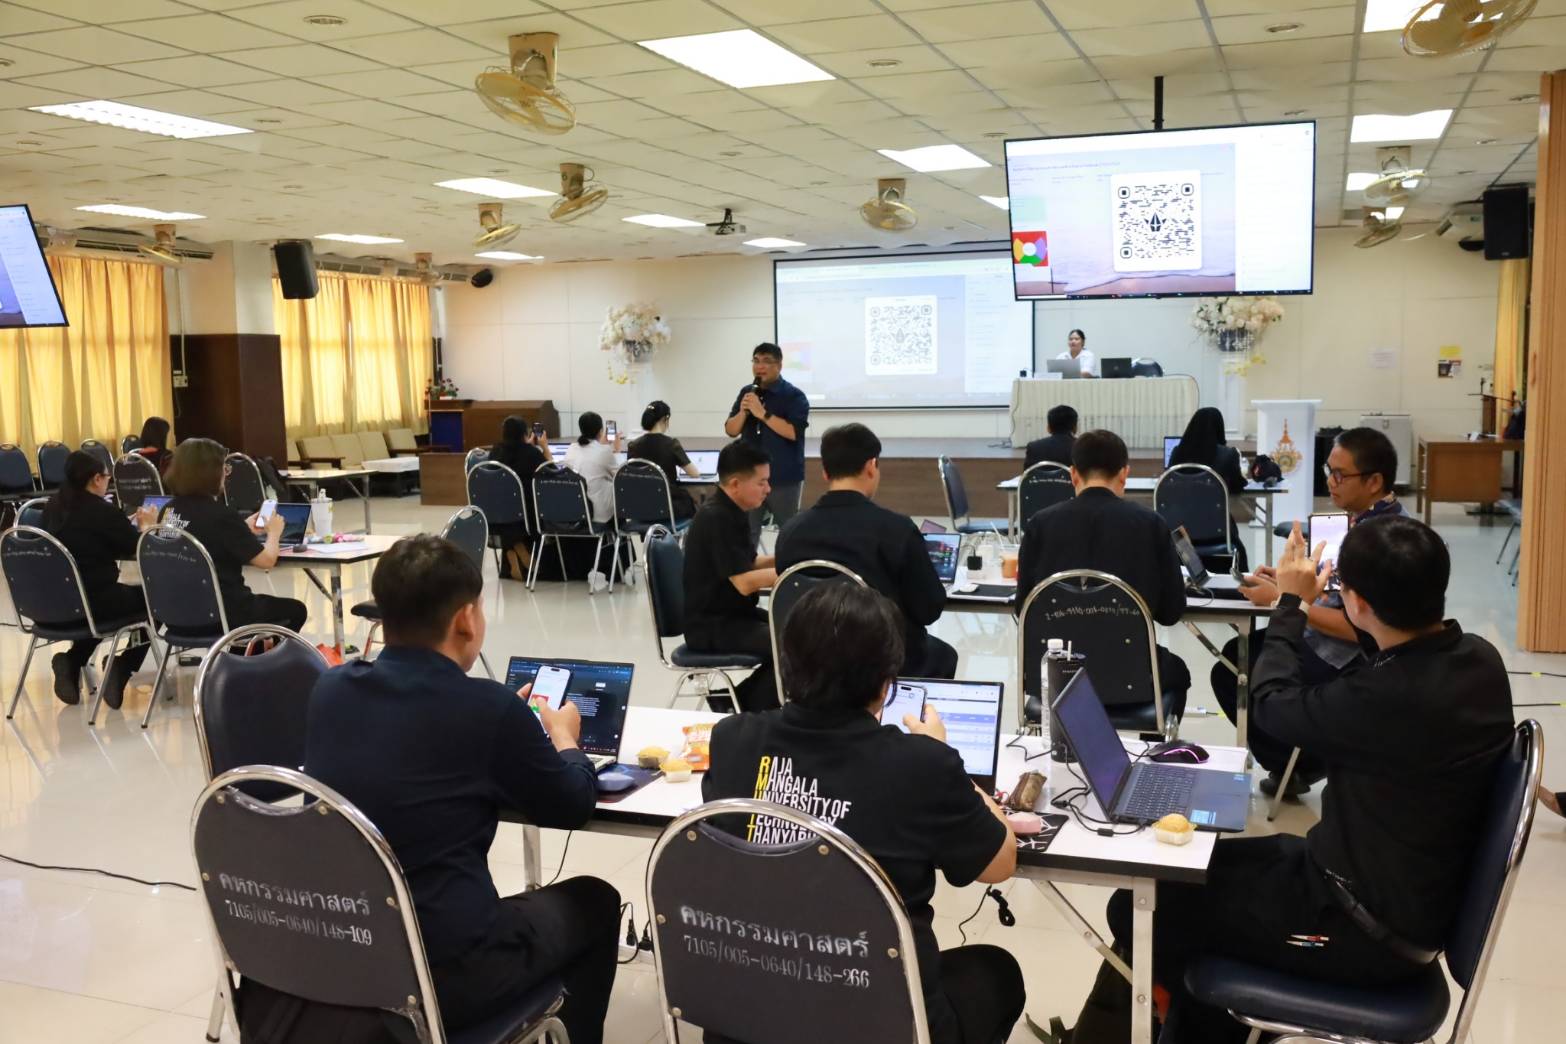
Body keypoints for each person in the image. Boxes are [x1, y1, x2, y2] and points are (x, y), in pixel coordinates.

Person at [1062, 517, 1515, 1044]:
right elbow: (1384, 657)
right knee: (1186, 875)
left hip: (1360, 929)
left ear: (1358, 603)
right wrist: (1308, 598)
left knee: (1139, 908)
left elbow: (1271, 704)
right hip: (1393, 895)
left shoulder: (1385, 699)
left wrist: (1292, 605)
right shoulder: (1478, 661)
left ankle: (1176, 1024)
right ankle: (1185, 1022)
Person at [295, 535, 618, 1041]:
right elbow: (572, 804)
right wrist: (563, 739)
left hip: (347, 947)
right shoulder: (488, 711)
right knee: (595, 901)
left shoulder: (330, 689)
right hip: (449, 973)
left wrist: (506, 728)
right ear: (466, 619)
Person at [702, 582, 1024, 1044]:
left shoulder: (732, 739)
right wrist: (947, 757)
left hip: (748, 1015)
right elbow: (1000, 863)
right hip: (882, 1021)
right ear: (886, 683)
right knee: (997, 971)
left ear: (786, 663)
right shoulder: (920, 764)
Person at [1211, 426, 1406, 797]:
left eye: (1340, 475)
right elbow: (1334, 589)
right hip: (1324, 639)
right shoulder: (1365, 521)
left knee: (1233, 668)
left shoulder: (1380, 539)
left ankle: (1296, 762)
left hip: (1344, 658)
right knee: (1238, 655)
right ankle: (1297, 761)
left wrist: (1284, 600)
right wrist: (1288, 580)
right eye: (1328, 471)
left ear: (1374, 481)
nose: (1330, 482)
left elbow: (1358, 630)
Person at [1013, 429, 1191, 703]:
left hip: (1057, 679)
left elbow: (1024, 609)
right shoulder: (1150, 524)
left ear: (1073, 474)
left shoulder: (1040, 524)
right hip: (1130, 674)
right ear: (1124, 473)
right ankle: (1153, 731)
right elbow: (1170, 613)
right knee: (1178, 672)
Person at [777, 422, 957, 679]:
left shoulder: (791, 532)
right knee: (944, 655)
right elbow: (928, 610)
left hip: (812, 663)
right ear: (871, 466)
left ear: (825, 472)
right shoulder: (896, 529)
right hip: (880, 662)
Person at [36, 451, 157, 708]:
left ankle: (72, 661)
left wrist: (119, 524)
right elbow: (139, 547)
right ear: (95, 479)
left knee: (101, 603)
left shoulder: (52, 507)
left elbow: (87, 538)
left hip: (50, 605)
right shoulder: (102, 511)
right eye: (107, 477)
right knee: (157, 599)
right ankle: (123, 665)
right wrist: (147, 526)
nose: (108, 481)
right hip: (92, 604)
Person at [161, 437, 308, 632]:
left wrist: (241, 527)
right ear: (210, 473)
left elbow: (204, 534)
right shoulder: (221, 515)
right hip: (224, 615)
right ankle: (251, 651)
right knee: (296, 610)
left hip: (177, 616)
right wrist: (274, 533)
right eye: (224, 468)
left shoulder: (168, 511)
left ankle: (245, 650)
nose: (226, 473)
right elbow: (266, 561)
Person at [682, 439, 778, 711]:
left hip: (733, 615)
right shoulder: (716, 517)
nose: (768, 489)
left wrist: (791, 556)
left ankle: (732, 700)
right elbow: (744, 583)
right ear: (736, 483)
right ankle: (738, 706)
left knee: (801, 633)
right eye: (762, 482)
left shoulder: (732, 511)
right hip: (711, 624)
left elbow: (749, 563)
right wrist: (792, 572)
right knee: (793, 645)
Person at [724, 342, 810, 546]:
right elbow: (731, 430)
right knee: (747, 533)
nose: (759, 366)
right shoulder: (747, 393)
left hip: (783, 477)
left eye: (766, 361)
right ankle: (749, 566)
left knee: (789, 532)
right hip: (749, 476)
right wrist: (744, 412)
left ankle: (790, 566)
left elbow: (793, 433)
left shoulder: (794, 396)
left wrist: (762, 414)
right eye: (756, 361)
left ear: (779, 365)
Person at [1167, 405, 1249, 572]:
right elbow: (1237, 486)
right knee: (1238, 546)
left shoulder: (1177, 453)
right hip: (1218, 535)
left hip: (1182, 539)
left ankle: (1196, 577)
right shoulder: (1228, 454)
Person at [487, 415, 547, 579]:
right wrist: (544, 448)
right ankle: (521, 549)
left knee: (510, 505)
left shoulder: (495, 451)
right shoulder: (531, 453)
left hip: (497, 514)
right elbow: (551, 471)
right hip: (526, 515)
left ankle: (512, 548)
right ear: (524, 433)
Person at [627, 399, 698, 521]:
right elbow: (694, 473)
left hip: (641, 509)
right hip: (668, 508)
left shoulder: (633, 446)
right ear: (665, 419)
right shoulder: (671, 444)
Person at [563, 411, 622, 525]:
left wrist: (601, 445)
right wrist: (617, 450)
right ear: (601, 431)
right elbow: (620, 476)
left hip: (576, 511)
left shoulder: (571, 448)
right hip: (599, 515)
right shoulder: (604, 451)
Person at [1024, 404, 1078, 468]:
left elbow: (1027, 473)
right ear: (1075, 428)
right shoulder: (1082, 448)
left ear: (1048, 428)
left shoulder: (1033, 447)